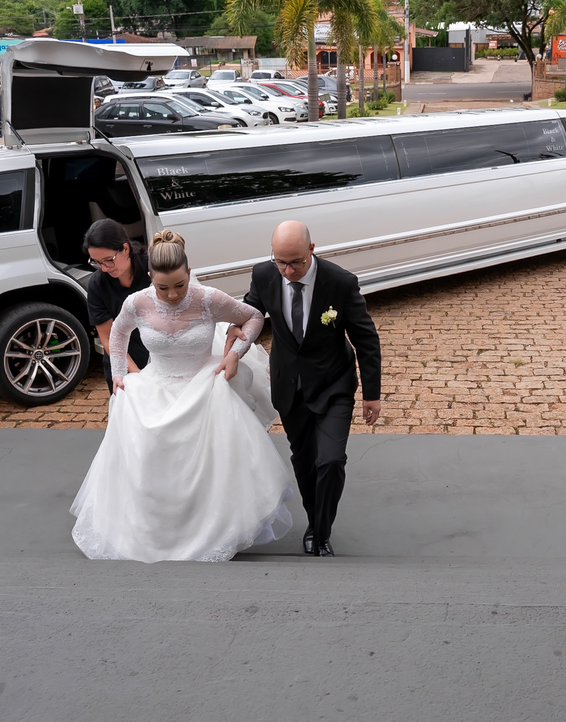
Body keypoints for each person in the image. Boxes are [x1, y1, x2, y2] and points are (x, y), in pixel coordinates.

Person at [70, 230, 293, 563]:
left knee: (210, 461)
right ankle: (157, 530)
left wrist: (235, 353)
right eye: (163, 288)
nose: (172, 295)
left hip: (203, 384)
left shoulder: (209, 298)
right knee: (152, 457)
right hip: (155, 383)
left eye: (179, 285)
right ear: (151, 277)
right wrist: (119, 374)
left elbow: (254, 317)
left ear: (189, 273)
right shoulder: (137, 302)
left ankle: (211, 526)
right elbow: (116, 336)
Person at [227, 221, 381, 557]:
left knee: (331, 460)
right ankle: (315, 521)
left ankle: (321, 533)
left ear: (311, 249)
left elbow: (366, 339)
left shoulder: (340, 282)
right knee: (304, 460)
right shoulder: (264, 275)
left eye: (295, 262)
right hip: (289, 385)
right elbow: (250, 314)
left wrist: (372, 394)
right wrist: (233, 337)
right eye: (280, 262)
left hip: (333, 384)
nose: (287, 270)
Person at [83, 219, 150, 394]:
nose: (104, 268)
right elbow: (108, 339)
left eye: (108, 260)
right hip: (122, 360)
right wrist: (137, 375)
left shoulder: (153, 268)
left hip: (160, 353)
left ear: (125, 248)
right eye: (97, 262)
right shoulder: (97, 285)